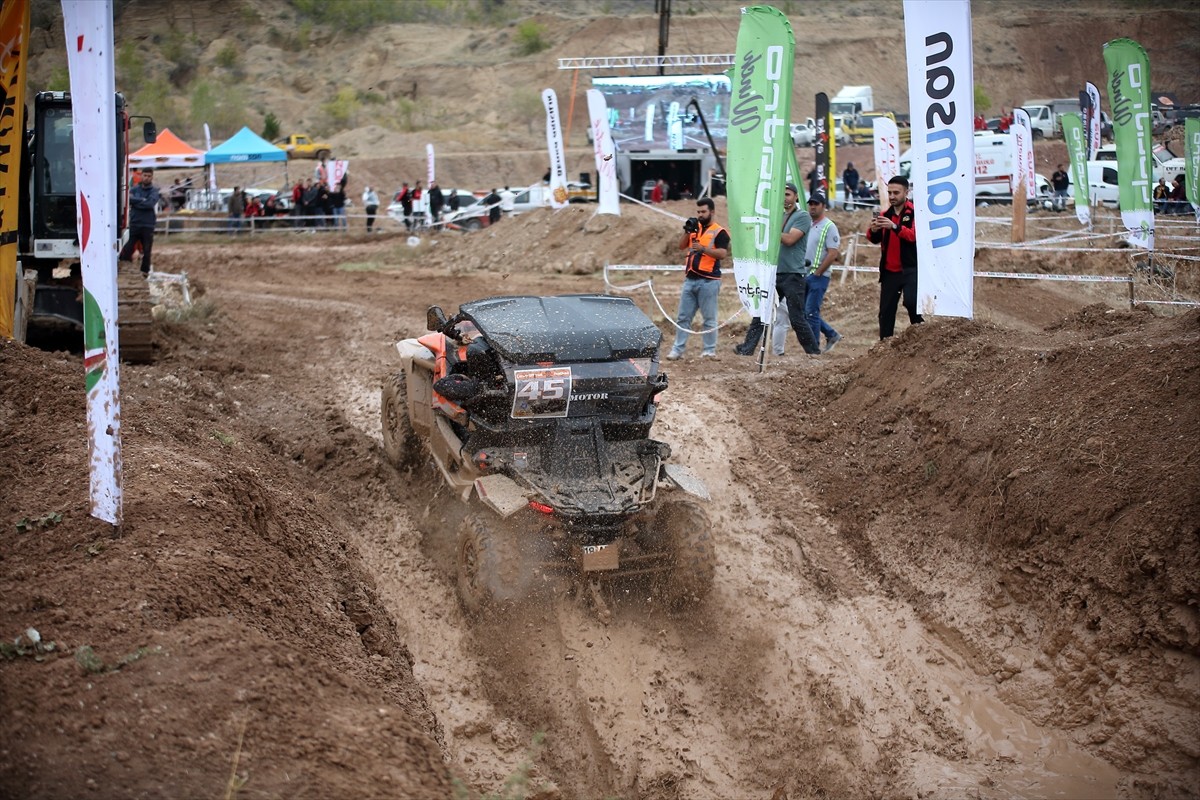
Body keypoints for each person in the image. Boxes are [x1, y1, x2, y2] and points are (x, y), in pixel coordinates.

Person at [733, 183, 820, 357]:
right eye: (782, 194)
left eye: (787, 194)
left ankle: (813, 351)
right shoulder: (777, 216)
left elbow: (790, 239)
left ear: (796, 196)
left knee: (796, 318)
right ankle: (747, 348)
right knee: (761, 312)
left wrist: (768, 229)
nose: (784, 198)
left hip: (793, 274)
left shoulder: (802, 216)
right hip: (774, 273)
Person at [666, 197, 730, 361]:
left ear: (712, 212)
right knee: (683, 318)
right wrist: (687, 231)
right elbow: (681, 246)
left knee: (709, 319)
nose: (700, 215)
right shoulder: (695, 229)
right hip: (690, 280)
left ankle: (709, 350)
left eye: (703, 211)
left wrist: (703, 249)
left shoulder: (720, 232)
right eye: (698, 212)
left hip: (709, 281)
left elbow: (722, 253)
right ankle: (677, 349)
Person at [868, 176, 923, 339]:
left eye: (896, 193)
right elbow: (873, 238)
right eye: (889, 192)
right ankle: (884, 345)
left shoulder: (915, 213)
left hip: (910, 269)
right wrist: (874, 230)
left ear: (907, 192)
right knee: (885, 312)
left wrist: (894, 226)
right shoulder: (885, 214)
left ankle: (920, 337)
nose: (892, 196)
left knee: (912, 303)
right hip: (889, 271)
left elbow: (913, 236)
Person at [803, 192, 842, 353]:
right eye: (811, 204)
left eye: (816, 204)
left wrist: (818, 272)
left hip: (818, 276)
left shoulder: (829, 226)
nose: (812, 207)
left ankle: (814, 349)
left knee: (811, 312)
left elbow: (833, 253)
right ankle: (831, 334)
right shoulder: (809, 224)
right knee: (806, 312)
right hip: (806, 274)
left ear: (823, 206)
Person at [118, 168, 160, 275]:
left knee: (147, 250)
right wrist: (142, 200)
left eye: (149, 176)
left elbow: (150, 204)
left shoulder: (154, 191)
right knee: (127, 247)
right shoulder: (134, 189)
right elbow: (129, 199)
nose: (146, 178)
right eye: (145, 175)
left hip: (148, 225)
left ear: (152, 177)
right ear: (141, 176)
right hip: (135, 223)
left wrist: (137, 202)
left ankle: (145, 272)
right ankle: (123, 267)